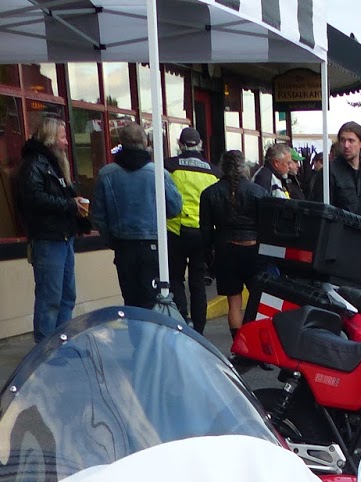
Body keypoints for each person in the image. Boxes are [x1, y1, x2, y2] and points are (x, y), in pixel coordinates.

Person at [89, 122, 183, 309]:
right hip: (153, 245)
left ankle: (134, 337)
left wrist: (111, 241)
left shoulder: (106, 174)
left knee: (131, 302)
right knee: (153, 301)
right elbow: (175, 208)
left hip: (123, 245)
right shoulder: (158, 173)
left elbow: (98, 216)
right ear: (146, 141)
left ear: (121, 142)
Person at [15, 114, 88, 341]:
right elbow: (34, 199)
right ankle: (45, 349)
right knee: (50, 298)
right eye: (63, 136)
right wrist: (70, 204)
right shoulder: (33, 164)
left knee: (67, 296)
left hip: (64, 237)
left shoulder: (54, 164)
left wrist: (75, 203)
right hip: (47, 239)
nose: (67, 141)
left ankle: (61, 344)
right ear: (50, 137)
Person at [199, 150, 270, 336]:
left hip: (225, 250)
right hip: (254, 250)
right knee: (258, 300)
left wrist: (209, 257)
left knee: (234, 302)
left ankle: (238, 346)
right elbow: (267, 225)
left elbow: (205, 229)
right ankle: (256, 345)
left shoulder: (209, 193)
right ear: (244, 166)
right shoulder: (259, 192)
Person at [164, 127, 217, 332]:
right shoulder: (213, 171)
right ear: (200, 144)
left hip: (175, 230)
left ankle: (182, 321)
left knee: (176, 278)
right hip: (201, 232)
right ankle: (200, 328)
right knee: (198, 281)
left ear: (180, 144)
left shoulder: (169, 166)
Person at [309, 120, 361, 223]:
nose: (346, 145)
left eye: (351, 140)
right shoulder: (329, 172)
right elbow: (319, 211)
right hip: (339, 236)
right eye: (342, 140)